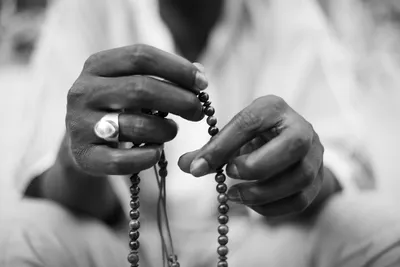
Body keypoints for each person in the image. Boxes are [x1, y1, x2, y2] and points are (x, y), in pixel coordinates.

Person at [1, 0, 400, 266]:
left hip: (259, 242)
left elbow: (345, 165)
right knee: (16, 236)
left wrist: (307, 172)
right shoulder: (87, 8)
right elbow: (43, 183)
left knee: (384, 230)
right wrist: (79, 158)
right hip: (117, 240)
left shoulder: (288, 10)